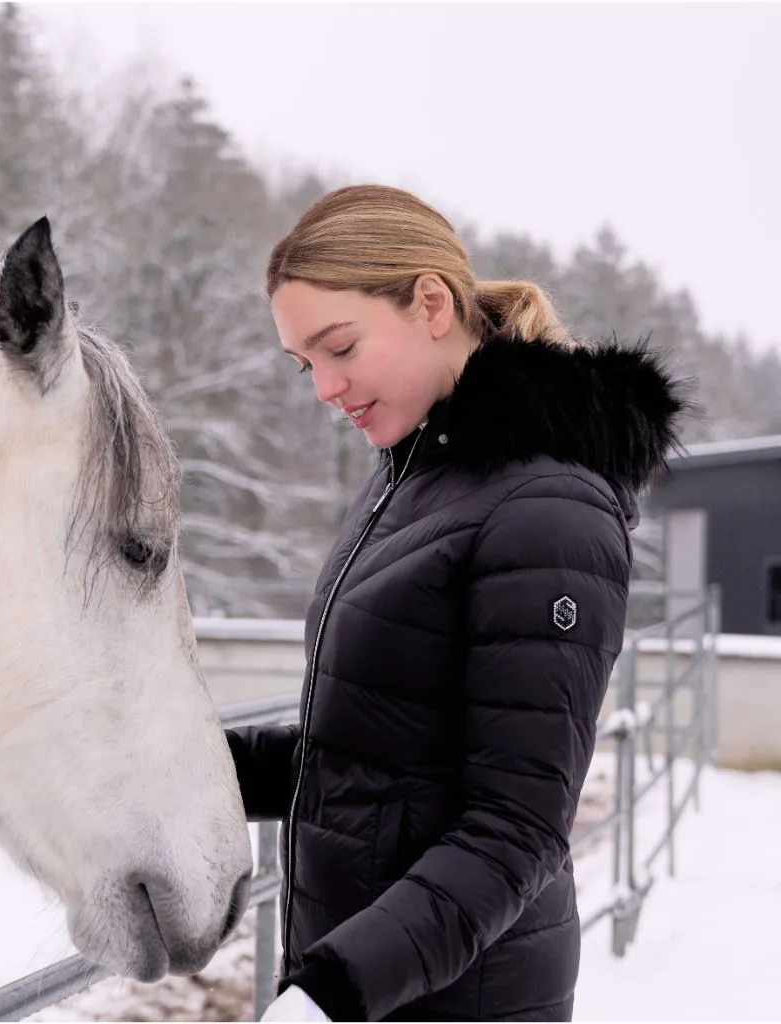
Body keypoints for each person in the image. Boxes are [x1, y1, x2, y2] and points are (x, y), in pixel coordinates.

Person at [225, 184, 689, 1022]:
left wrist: (331, 993)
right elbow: (370, 760)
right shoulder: (409, 482)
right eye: (306, 366)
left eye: (340, 348)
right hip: (373, 985)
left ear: (431, 303)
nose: (325, 389)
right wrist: (191, 768)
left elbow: (516, 829)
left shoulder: (549, 509)